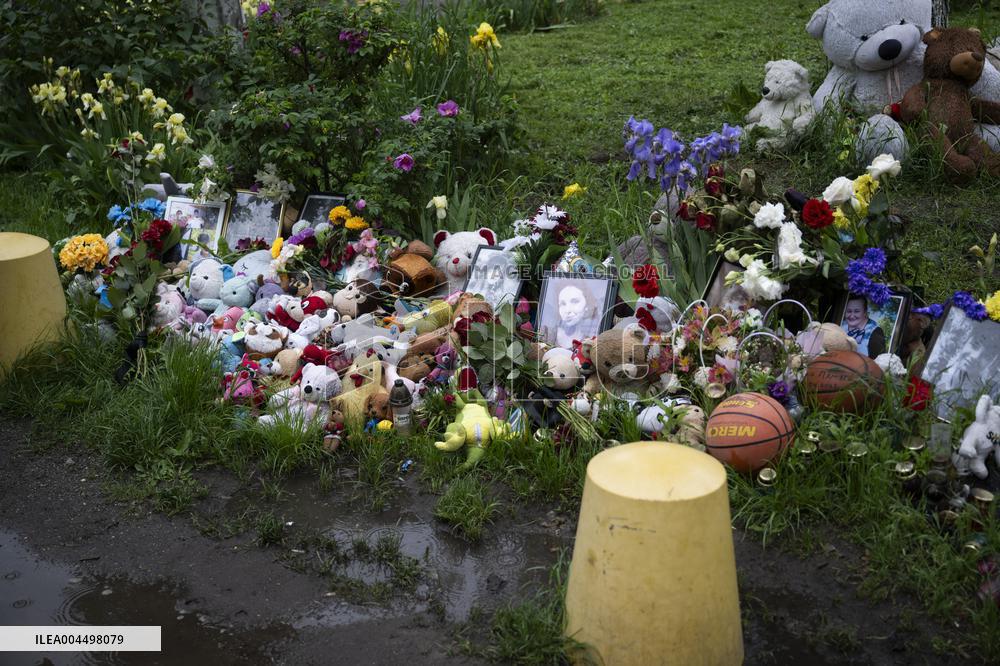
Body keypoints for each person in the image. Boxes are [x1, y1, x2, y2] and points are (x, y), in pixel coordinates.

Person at [546, 282, 598, 349]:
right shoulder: (546, 333)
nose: (568, 310)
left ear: (587, 304)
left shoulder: (592, 341)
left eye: (574, 302)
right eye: (562, 304)